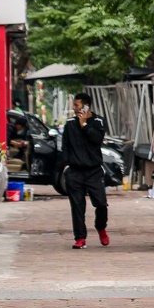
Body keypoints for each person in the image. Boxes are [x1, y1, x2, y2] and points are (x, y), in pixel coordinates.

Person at [60, 93, 110, 248]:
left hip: (94, 171)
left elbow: (97, 139)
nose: (74, 109)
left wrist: (85, 125)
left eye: (77, 105)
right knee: (77, 206)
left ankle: (101, 227)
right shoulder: (69, 124)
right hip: (74, 172)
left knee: (101, 204)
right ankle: (80, 238)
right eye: (74, 105)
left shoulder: (98, 121)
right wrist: (67, 166)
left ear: (86, 106)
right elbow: (65, 147)